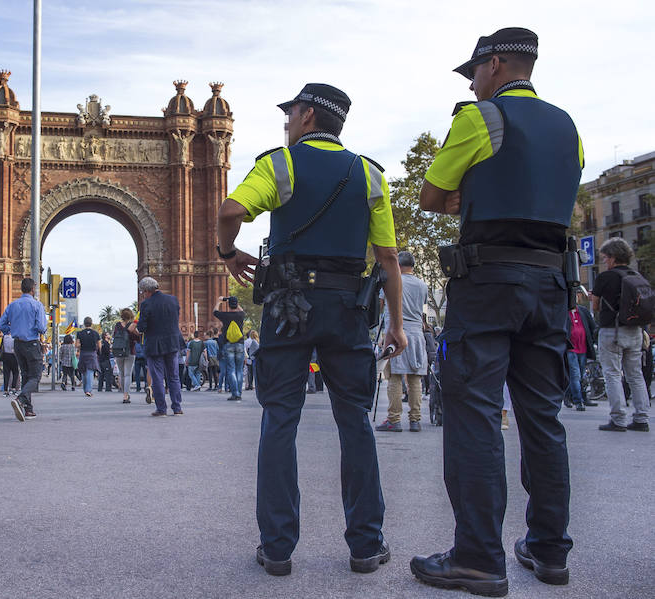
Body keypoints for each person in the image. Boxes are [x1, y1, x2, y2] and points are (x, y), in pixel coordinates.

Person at [411, 28, 583, 594]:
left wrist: (468, 189)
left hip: (488, 283)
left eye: (475, 71)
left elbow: (431, 196)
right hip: (551, 285)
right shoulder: (568, 127)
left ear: (498, 63)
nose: (473, 81)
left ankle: (479, 557)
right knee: (543, 419)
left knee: (476, 415)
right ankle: (549, 550)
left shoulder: (479, 118)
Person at [216, 82, 404, 576]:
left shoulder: (281, 164)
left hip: (287, 304)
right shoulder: (369, 173)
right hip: (347, 308)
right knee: (355, 422)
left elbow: (230, 211)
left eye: (292, 110)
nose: (286, 119)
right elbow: (387, 259)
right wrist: (398, 325)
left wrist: (227, 251)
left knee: (280, 420)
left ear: (309, 117)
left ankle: (277, 548)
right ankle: (366, 545)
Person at [590, 237, 650, 432]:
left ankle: (618, 419)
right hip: (636, 331)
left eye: (605, 258)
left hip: (611, 331)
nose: (604, 261)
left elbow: (596, 306)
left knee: (612, 374)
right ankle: (641, 419)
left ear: (614, 257)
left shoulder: (605, 277)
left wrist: (595, 298)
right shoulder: (637, 275)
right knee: (635, 375)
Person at [376, 251, 428, 432]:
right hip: (416, 334)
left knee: (394, 378)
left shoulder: (392, 282)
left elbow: (380, 306)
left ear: (398, 266)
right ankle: (415, 420)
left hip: (395, 332)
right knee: (415, 379)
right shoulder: (422, 285)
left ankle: (394, 419)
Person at [129, 277, 184, 416]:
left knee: (158, 377)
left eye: (143, 292)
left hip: (154, 345)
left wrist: (139, 329)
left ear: (147, 291)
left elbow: (141, 327)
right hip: (172, 342)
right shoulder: (173, 300)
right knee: (174, 376)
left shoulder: (146, 304)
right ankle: (177, 408)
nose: (143, 295)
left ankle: (161, 409)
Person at [0, 277, 47, 422]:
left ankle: (28, 410)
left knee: (25, 375)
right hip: (31, 343)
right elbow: (42, 328)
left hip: (17, 344)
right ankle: (20, 399)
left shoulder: (12, 305)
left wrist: (12, 330)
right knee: (36, 376)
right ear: (33, 289)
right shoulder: (37, 305)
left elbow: (0, 325)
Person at [566, 293, 598, 411]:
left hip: (583, 348)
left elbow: (593, 327)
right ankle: (578, 401)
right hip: (571, 349)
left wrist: (595, 341)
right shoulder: (564, 312)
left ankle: (569, 396)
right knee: (575, 375)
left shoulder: (583, 311)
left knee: (580, 375)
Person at [213, 296, 247, 401]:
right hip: (240, 344)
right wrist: (236, 302)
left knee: (231, 369)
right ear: (236, 304)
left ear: (229, 305)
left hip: (228, 345)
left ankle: (235, 393)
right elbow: (242, 311)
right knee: (239, 370)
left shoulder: (225, 315)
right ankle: (239, 393)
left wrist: (219, 301)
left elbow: (215, 311)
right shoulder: (241, 315)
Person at [113, 308, 140, 403]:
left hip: (118, 351)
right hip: (130, 351)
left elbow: (114, 336)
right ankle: (126, 395)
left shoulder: (117, 325)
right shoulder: (131, 326)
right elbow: (137, 338)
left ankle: (124, 392)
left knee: (121, 373)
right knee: (128, 374)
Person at [75, 317, 101, 397]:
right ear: (91, 323)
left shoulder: (80, 333)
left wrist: (80, 347)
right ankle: (88, 390)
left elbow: (76, 345)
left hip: (83, 353)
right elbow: (99, 345)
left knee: (83, 371)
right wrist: (99, 352)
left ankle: (85, 389)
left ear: (84, 323)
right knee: (90, 371)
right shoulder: (96, 333)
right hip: (92, 354)